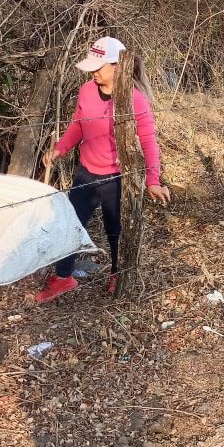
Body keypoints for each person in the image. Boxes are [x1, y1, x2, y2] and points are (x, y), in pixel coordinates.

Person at [38, 37, 171, 303]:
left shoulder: (135, 100)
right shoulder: (87, 90)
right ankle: (64, 277)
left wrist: (153, 180)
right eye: (92, 67)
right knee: (70, 224)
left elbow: (148, 142)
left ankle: (117, 274)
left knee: (115, 231)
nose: (94, 72)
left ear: (117, 66)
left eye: (100, 66)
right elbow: (78, 124)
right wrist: (60, 148)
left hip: (116, 177)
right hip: (86, 172)